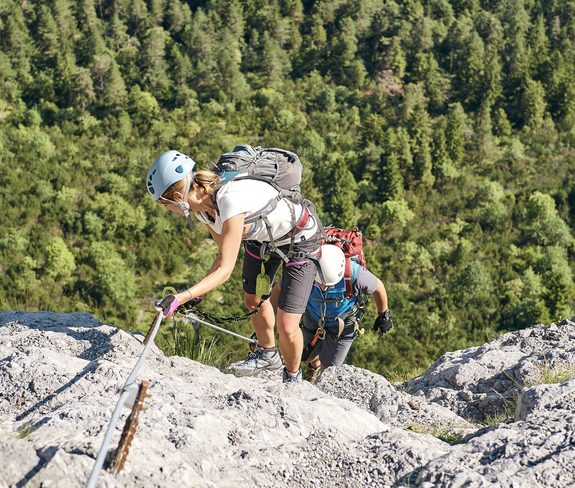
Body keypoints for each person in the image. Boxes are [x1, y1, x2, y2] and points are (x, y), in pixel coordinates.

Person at [147, 150, 322, 382]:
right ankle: (268, 356)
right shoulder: (203, 212)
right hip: (262, 238)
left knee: (287, 326)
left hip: (300, 238)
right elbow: (223, 254)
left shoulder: (229, 198)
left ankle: (292, 377)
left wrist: (181, 297)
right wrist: (193, 296)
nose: (167, 210)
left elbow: (225, 270)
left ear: (179, 196)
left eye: (165, 204)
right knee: (253, 301)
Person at [270, 244, 393, 383]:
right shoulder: (304, 270)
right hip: (313, 316)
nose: (323, 288)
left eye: (328, 285)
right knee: (302, 354)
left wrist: (384, 315)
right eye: (320, 284)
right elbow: (279, 288)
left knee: (328, 372)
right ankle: (314, 364)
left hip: (343, 324)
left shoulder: (354, 273)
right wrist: (269, 320)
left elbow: (378, 287)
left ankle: (318, 374)